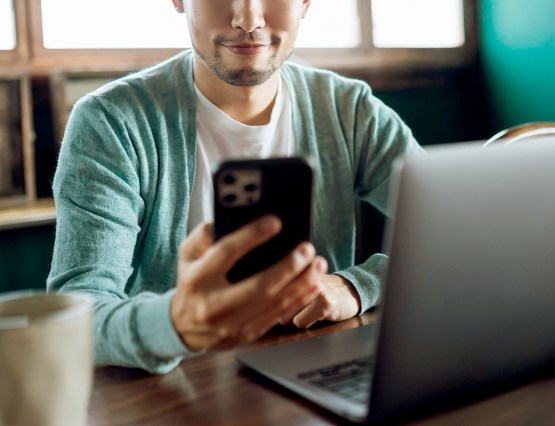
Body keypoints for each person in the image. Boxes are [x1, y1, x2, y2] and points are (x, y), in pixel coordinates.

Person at [47, 0, 421, 374]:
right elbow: (76, 317)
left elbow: (460, 237)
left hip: (315, 380)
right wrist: (177, 323)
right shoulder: (110, 123)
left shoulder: (349, 110)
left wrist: (358, 286)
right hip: (168, 396)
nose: (248, 20)